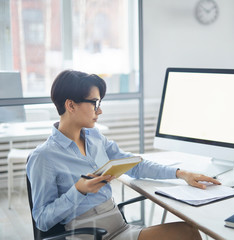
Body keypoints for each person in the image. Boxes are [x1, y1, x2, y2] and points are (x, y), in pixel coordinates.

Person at [26, 70, 220, 240]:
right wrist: (79, 190)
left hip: (120, 228)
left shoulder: (95, 138)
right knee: (187, 234)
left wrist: (180, 173)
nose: (99, 110)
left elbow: (134, 165)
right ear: (71, 105)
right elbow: (42, 221)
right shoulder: (44, 157)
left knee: (189, 231)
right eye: (94, 103)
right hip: (90, 235)